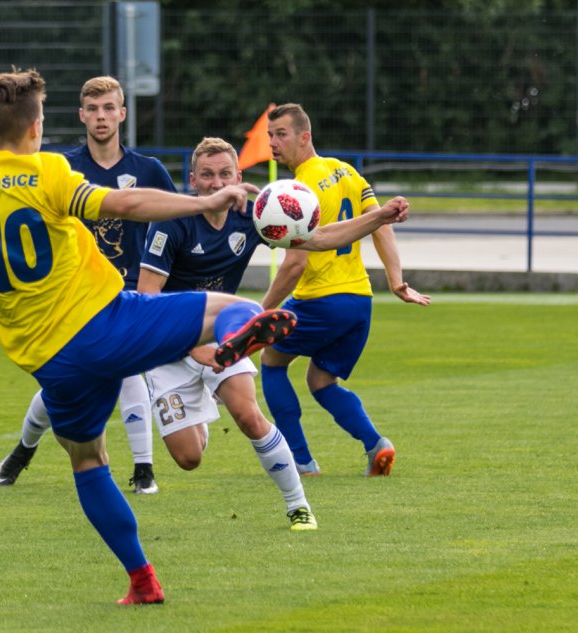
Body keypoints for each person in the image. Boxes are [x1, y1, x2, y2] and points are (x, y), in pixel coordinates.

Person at [0, 68, 296, 605]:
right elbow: (126, 204)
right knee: (237, 308)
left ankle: (142, 581)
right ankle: (233, 342)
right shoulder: (48, 172)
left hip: (52, 363)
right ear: (36, 128)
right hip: (108, 322)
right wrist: (204, 203)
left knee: (88, 463)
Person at [137, 137, 410, 530]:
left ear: (238, 177)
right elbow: (147, 298)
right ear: (193, 180)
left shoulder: (253, 216)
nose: (217, 183)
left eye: (225, 174)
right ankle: (201, 408)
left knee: (249, 417)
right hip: (169, 343)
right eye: (207, 175)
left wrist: (379, 216)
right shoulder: (172, 222)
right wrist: (193, 350)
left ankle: (299, 506)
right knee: (189, 458)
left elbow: (320, 238)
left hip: (220, 333)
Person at [0, 76, 175, 494]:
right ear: (81, 115)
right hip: (71, 295)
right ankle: (23, 449)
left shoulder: (148, 170)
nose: (101, 116)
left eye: (109, 108)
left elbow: (175, 226)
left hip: (127, 289)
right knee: (66, 382)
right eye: (93, 109)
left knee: (126, 368)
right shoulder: (60, 167)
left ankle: (143, 469)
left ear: (122, 114)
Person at [260, 103, 431, 478]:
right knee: (320, 381)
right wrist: (396, 279)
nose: (272, 142)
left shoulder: (299, 189)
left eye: (281, 134)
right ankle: (376, 444)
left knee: (271, 360)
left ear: (305, 137)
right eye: (270, 135)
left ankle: (300, 460)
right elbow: (380, 222)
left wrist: (262, 311)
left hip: (321, 300)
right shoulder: (346, 171)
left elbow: (295, 264)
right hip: (359, 302)